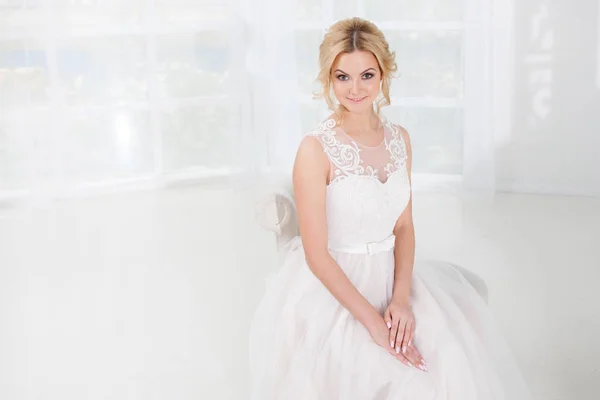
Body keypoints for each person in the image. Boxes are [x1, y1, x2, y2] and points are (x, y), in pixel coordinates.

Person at [249, 17, 531, 399]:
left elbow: (404, 227)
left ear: (383, 73)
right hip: (336, 284)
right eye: (342, 77)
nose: (355, 88)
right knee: (378, 370)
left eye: (366, 74)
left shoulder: (400, 140)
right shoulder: (315, 149)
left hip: (392, 275)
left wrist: (400, 301)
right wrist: (374, 324)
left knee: (445, 353)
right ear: (328, 79)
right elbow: (316, 255)